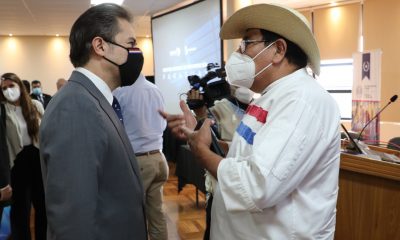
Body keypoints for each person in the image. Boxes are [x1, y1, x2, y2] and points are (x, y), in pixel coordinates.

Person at [160, 3, 341, 239]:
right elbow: (248, 153)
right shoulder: (269, 97)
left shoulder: (301, 101)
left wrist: (201, 151)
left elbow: (258, 185)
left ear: (278, 50)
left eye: (247, 43)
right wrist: (200, 131)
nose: (238, 53)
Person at [39, 3, 147, 240]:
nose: (136, 53)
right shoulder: (75, 106)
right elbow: (73, 221)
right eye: (130, 44)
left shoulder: (93, 99)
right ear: (100, 46)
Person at [113, 73, 168, 240]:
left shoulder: (120, 92)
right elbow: (163, 124)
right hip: (159, 158)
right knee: (157, 215)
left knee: (133, 217)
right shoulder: (156, 90)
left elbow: (115, 126)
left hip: (138, 161)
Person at [1, 72, 47, 240]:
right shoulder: (3, 109)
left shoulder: (35, 105)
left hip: (37, 157)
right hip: (17, 161)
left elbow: (45, 133)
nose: (8, 90)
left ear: (19, 85)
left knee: (43, 207)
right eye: (4, 88)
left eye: (11, 86)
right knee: (21, 210)